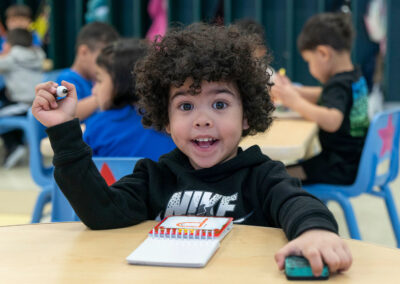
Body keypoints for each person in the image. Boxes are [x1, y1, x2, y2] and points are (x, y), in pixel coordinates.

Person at [33, 23, 352, 277]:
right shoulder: (154, 177)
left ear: (246, 116)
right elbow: (100, 212)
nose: (202, 120)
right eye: (185, 105)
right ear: (166, 120)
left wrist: (315, 232)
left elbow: (299, 203)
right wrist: (64, 128)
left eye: (219, 104)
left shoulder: (262, 176)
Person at [271, 12, 369, 185]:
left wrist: (295, 101)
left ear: (323, 54)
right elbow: (323, 95)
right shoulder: (353, 77)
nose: (309, 67)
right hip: (352, 163)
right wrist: (293, 90)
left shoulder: (338, 85)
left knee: (278, 176)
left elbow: (332, 120)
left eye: (308, 61)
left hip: (337, 167)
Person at [83, 38, 175, 159]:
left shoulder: (98, 126)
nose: (94, 90)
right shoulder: (173, 123)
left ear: (122, 83)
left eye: (99, 80)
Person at [55, 22, 119, 122]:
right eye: (102, 60)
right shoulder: (67, 79)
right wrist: (103, 95)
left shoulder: (95, 80)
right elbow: (68, 113)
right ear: (83, 52)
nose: (107, 66)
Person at [0, 28, 45, 168]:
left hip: (23, 105)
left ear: (10, 43)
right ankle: (16, 145)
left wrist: (4, 53)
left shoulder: (12, 58)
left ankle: (15, 146)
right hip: (37, 104)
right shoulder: (38, 55)